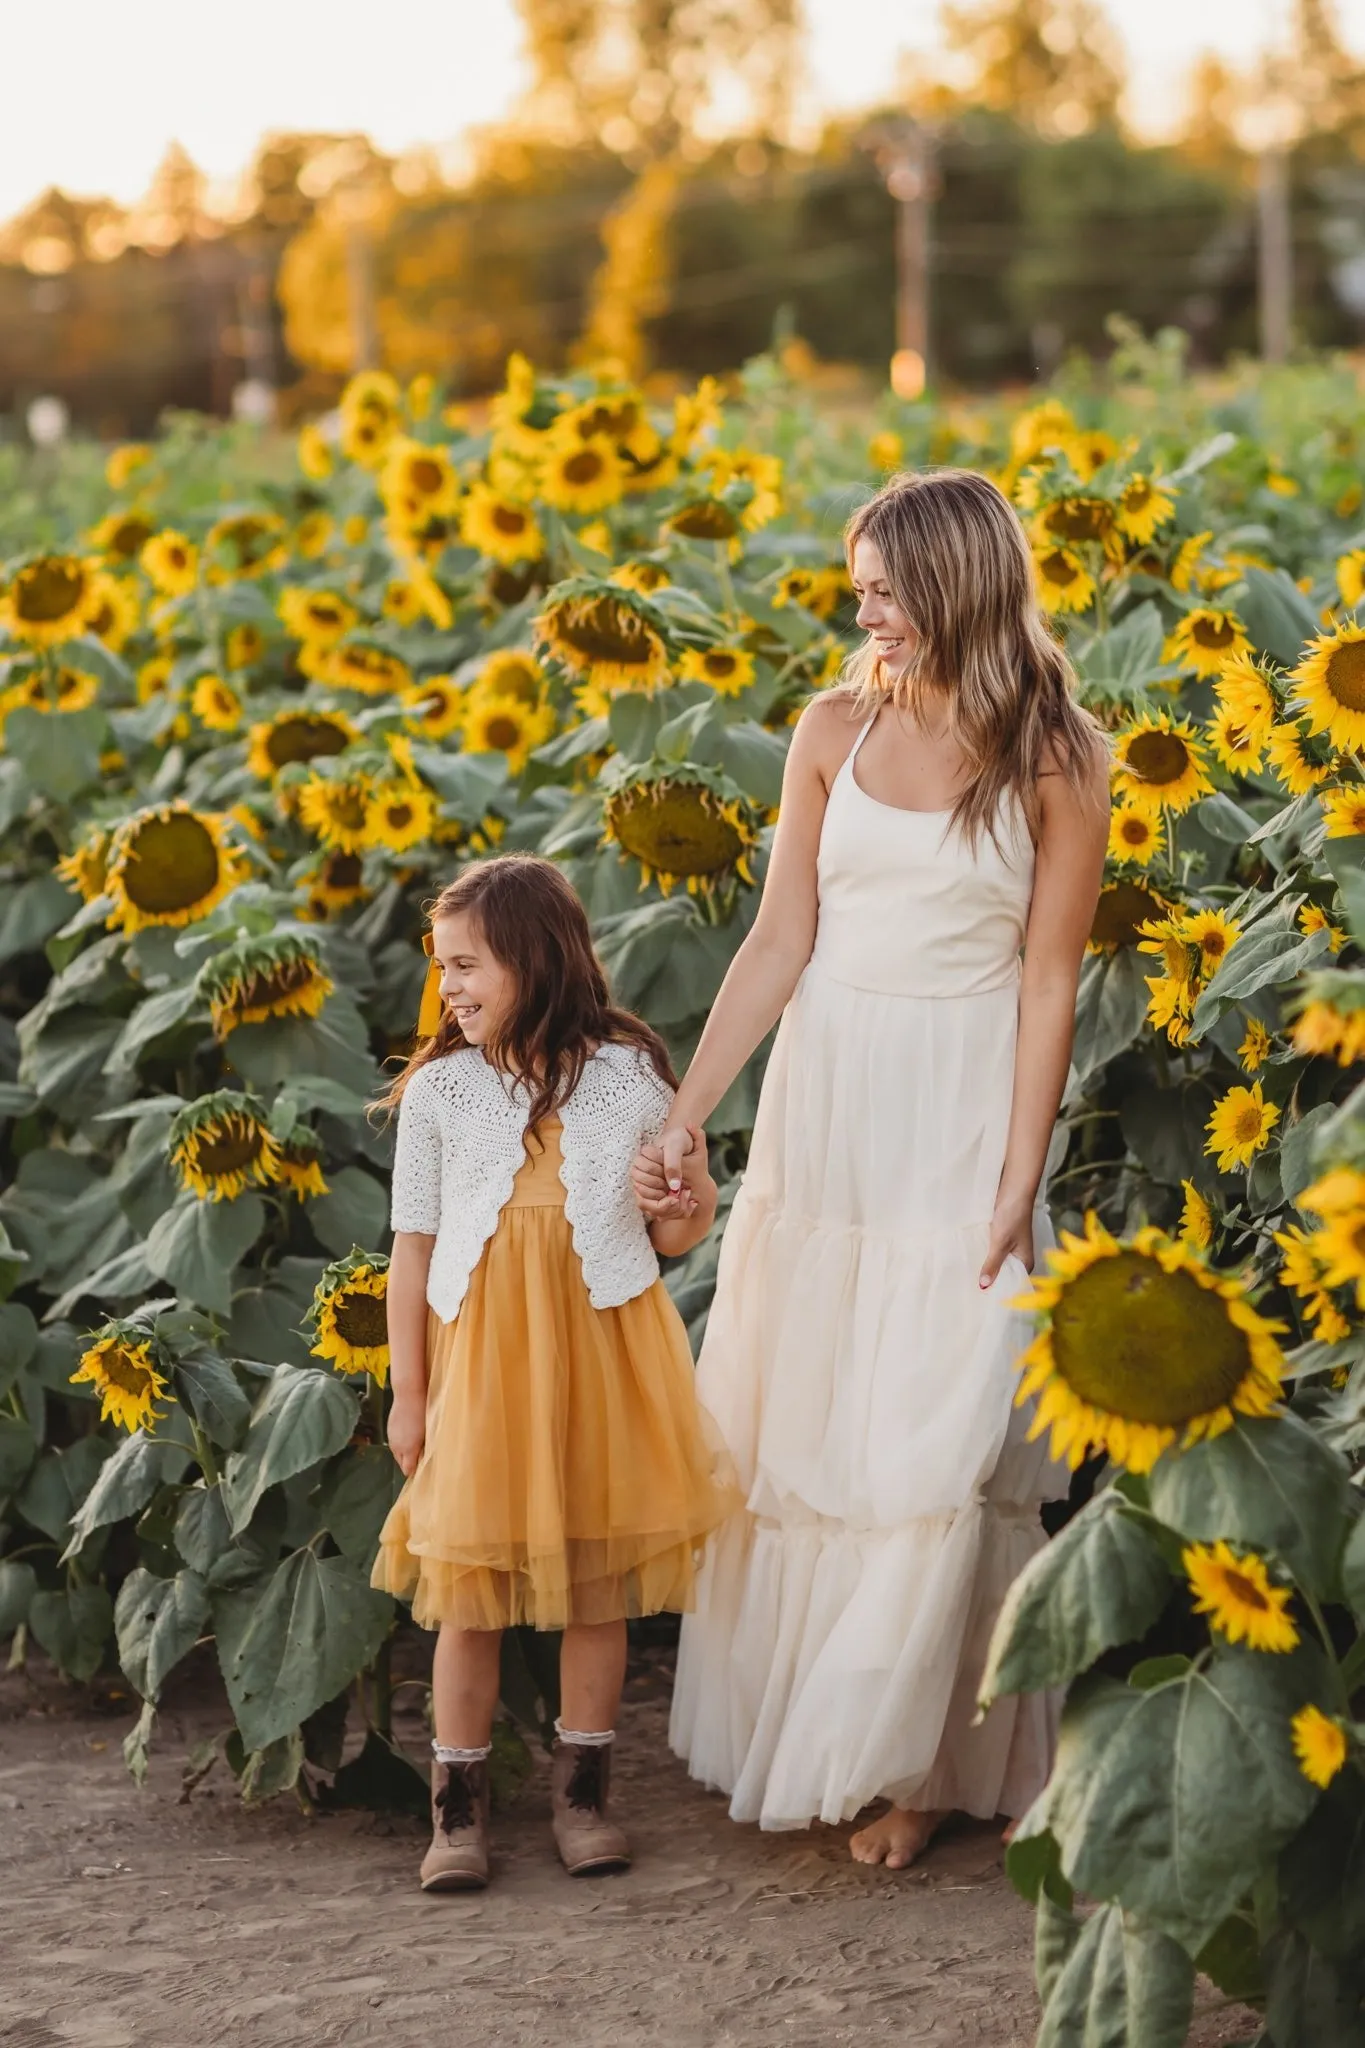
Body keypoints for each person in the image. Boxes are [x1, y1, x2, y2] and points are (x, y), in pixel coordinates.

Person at [634, 468, 1108, 1868]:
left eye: (886, 593)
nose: (868, 617)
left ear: (957, 584)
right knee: (821, 1430)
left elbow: (1046, 984)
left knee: (939, 1440)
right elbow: (781, 939)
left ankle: (926, 1767)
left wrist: (1018, 1183)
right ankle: (841, 1735)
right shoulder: (831, 729)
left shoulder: (1056, 758)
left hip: (961, 1103)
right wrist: (687, 1111)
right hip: (830, 1102)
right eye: (861, 594)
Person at [372, 855, 730, 1892]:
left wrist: (678, 1191)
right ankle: (457, 1814)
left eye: (468, 964)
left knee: (597, 1588)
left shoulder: (627, 1074)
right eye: (444, 969)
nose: (451, 988)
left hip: (603, 1360)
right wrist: (410, 1391)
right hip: (481, 1367)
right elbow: (412, 1250)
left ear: (536, 956)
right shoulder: (440, 1092)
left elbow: (675, 1233)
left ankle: (584, 1798)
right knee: (467, 1597)